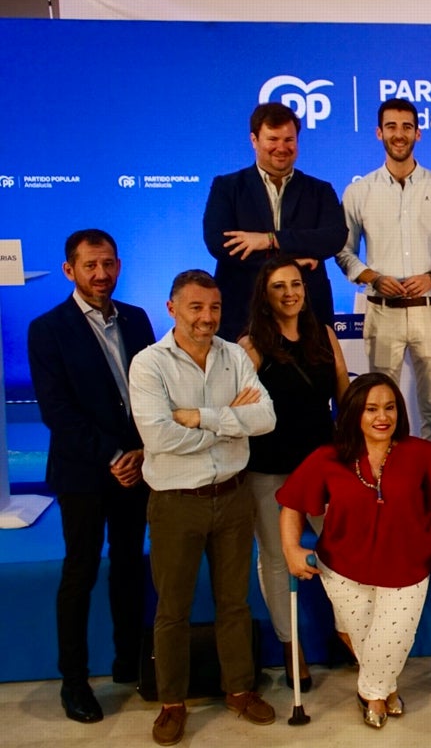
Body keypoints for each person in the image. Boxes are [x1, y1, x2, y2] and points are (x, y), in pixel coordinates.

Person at [128, 269, 278, 746]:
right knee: (172, 609)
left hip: (233, 497)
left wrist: (198, 417)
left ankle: (239, 689)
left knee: (234, 602)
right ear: (172, 308)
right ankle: (173, 702)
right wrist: (232, 420)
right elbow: (158, 437)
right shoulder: (149, 365)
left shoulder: (235, 356)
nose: (206, 317)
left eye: (213, 308)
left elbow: (266, 418)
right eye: (195, 307)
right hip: (176, 503)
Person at [277, 373, 431, 728]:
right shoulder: (328, 457)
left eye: (390, 407)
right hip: (342, 567)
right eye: (371, 409)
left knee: (393, 637)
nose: (383, 417)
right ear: (353, 413)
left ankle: (374, 695)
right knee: (361, 636)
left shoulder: (421, 453)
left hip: (407, 566)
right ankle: (386, 688)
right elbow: (292, 505)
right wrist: (290, 548)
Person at [27, 229, 156, 724]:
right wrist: (115, 455)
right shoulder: (47, 329)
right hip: (84, 472)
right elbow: (57, 412)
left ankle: (129, 662)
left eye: (108, 264)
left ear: (119, 265)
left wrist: (143, 452)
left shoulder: (139, 318)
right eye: (89, 266)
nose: (100, 275)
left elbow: (151, 393)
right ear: (70, 270)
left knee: (129, 566)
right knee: (79, 573)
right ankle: (74, 683)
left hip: (139, 469)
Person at [237, 255, 350, 691]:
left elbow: (344, 392)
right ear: (264, 296)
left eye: (296, 284)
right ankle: (290, 646)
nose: (290, 293)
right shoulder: (249, 346)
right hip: (268, 470)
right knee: (275, 558)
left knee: (339, 549)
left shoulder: (323, 335)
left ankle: (348, 631)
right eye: (279, 286)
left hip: (322, 465)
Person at [337, 97, 431, 451]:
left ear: (418, 133)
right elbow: (344, 252)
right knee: (378, 409)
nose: (399, 133)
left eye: (407, 126)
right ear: (379, 132)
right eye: (391, 126)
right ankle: (384, 484)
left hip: (429, 309)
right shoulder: (359, 192)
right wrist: (372, 277)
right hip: (381, 311)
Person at [202, 102, 348, 340]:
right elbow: (219, 243)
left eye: (289, 140)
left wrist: (269, 240)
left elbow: (333, 238)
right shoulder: (227, 187)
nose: (282, 147)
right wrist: (289, 265)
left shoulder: (319, 190)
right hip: (244, 315)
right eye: (273, 139)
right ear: (254, 140)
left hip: (307, 318)